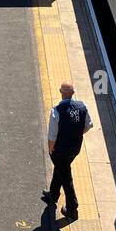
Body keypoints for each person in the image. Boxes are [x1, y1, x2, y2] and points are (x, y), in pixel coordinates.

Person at [42, 81, 94, 220]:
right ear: (73, 93)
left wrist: (51, 150)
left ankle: (72, 208)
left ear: (61, 92)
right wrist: (76, 134)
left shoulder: (56, 111)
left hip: (60, 150)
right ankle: (53, 195)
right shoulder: (83, 106)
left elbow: (52, 135)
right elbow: (89, 125)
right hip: (75, 148)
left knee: (66, 177)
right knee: (61, 169)